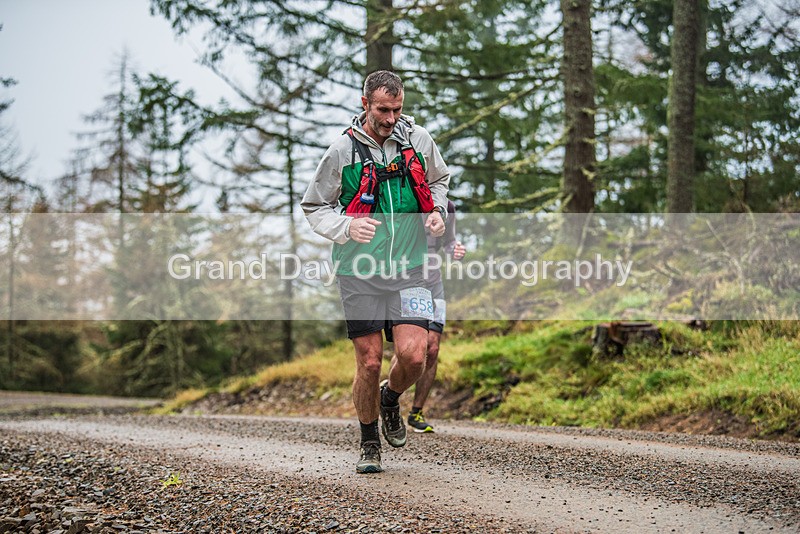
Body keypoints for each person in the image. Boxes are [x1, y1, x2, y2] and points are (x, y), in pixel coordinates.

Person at [301, 70, 450, 473]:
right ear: (364, 102)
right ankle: (369, 442)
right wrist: (347, 227)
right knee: (368, 362)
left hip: (412, 267)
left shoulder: (419, 141)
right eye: (383, 109)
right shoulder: (340, 152)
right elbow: (314, 206)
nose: (390, 118)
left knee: (415, 356)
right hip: (359, 269)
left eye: (397, 109)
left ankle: (390, 398)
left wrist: (435, 212)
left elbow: (439, 181)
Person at [390, 201, 465, 433]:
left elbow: (449, 241)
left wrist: (455, 250)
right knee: (412, 348)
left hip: (434, 284)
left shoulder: (447, 207)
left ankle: (416, 412)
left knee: (432, 348)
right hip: (407, 282)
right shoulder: (402, 200)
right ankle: (391, 394)